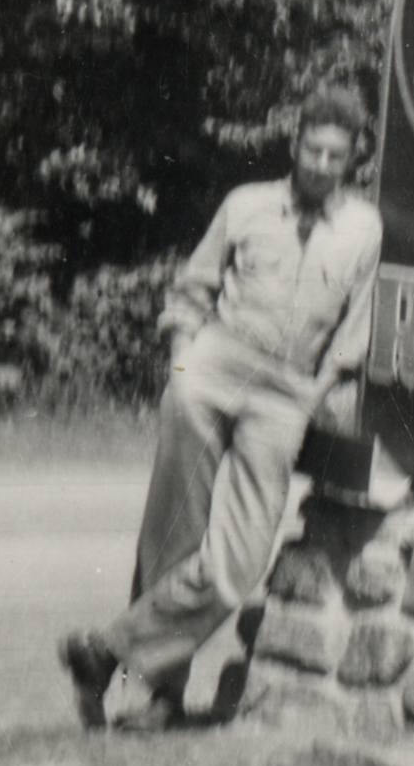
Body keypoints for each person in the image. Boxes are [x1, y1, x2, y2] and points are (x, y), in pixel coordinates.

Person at [60, 84, 383, 731]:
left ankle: (105, 656)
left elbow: (354, 334)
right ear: (294, 146)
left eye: (336, 156)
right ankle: (158, 698)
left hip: (284, 397)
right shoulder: (247, 205)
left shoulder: (362, 229)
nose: (321, 164)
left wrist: (311, 398)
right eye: (312, 149)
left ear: (353, 163)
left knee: (237, 564)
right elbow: (193, 290)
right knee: (170, 542)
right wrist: (183, 370)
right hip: (211, 370)